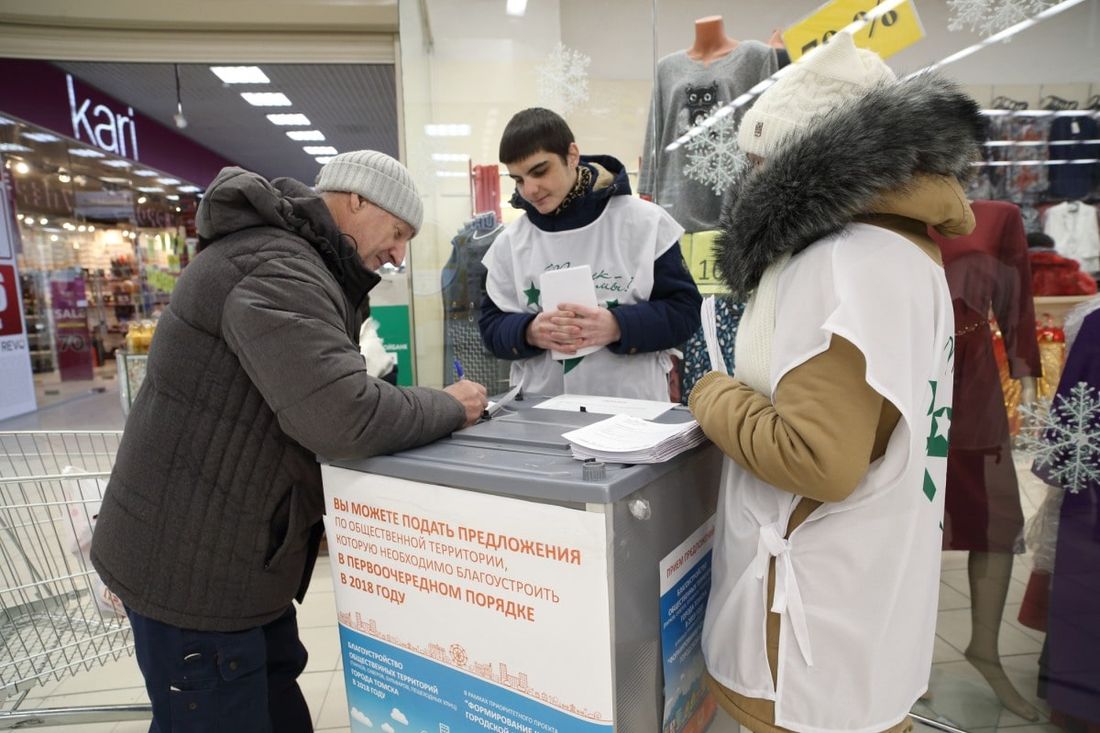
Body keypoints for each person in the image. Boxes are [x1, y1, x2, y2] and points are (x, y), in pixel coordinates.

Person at [91, 151, 487, 733]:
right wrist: (451, 405)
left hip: (232, 564)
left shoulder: (293, 262)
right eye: (398, 232)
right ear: (355, 200)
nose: (398, 253)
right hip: (195, 579)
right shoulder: (276, 269)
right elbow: (339, 414)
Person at [687, 34, 984, 731]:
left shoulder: (843, 263)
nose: (748, 180)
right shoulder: (908, 252)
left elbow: (817, 457)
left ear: (804, 166)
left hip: (802, 634)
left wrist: (710, 391)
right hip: (863, 605)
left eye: (760, 163)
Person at [479, 107, 702, 401]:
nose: (530, 190)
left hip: (633, 412)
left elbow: (685, 313)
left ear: (572, 155)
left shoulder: (645, 224)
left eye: (540, 171)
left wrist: (618, 326)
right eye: (518, 179)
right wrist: (529, 332)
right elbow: (491, 328)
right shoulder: (510, 242)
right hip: (541, 413)